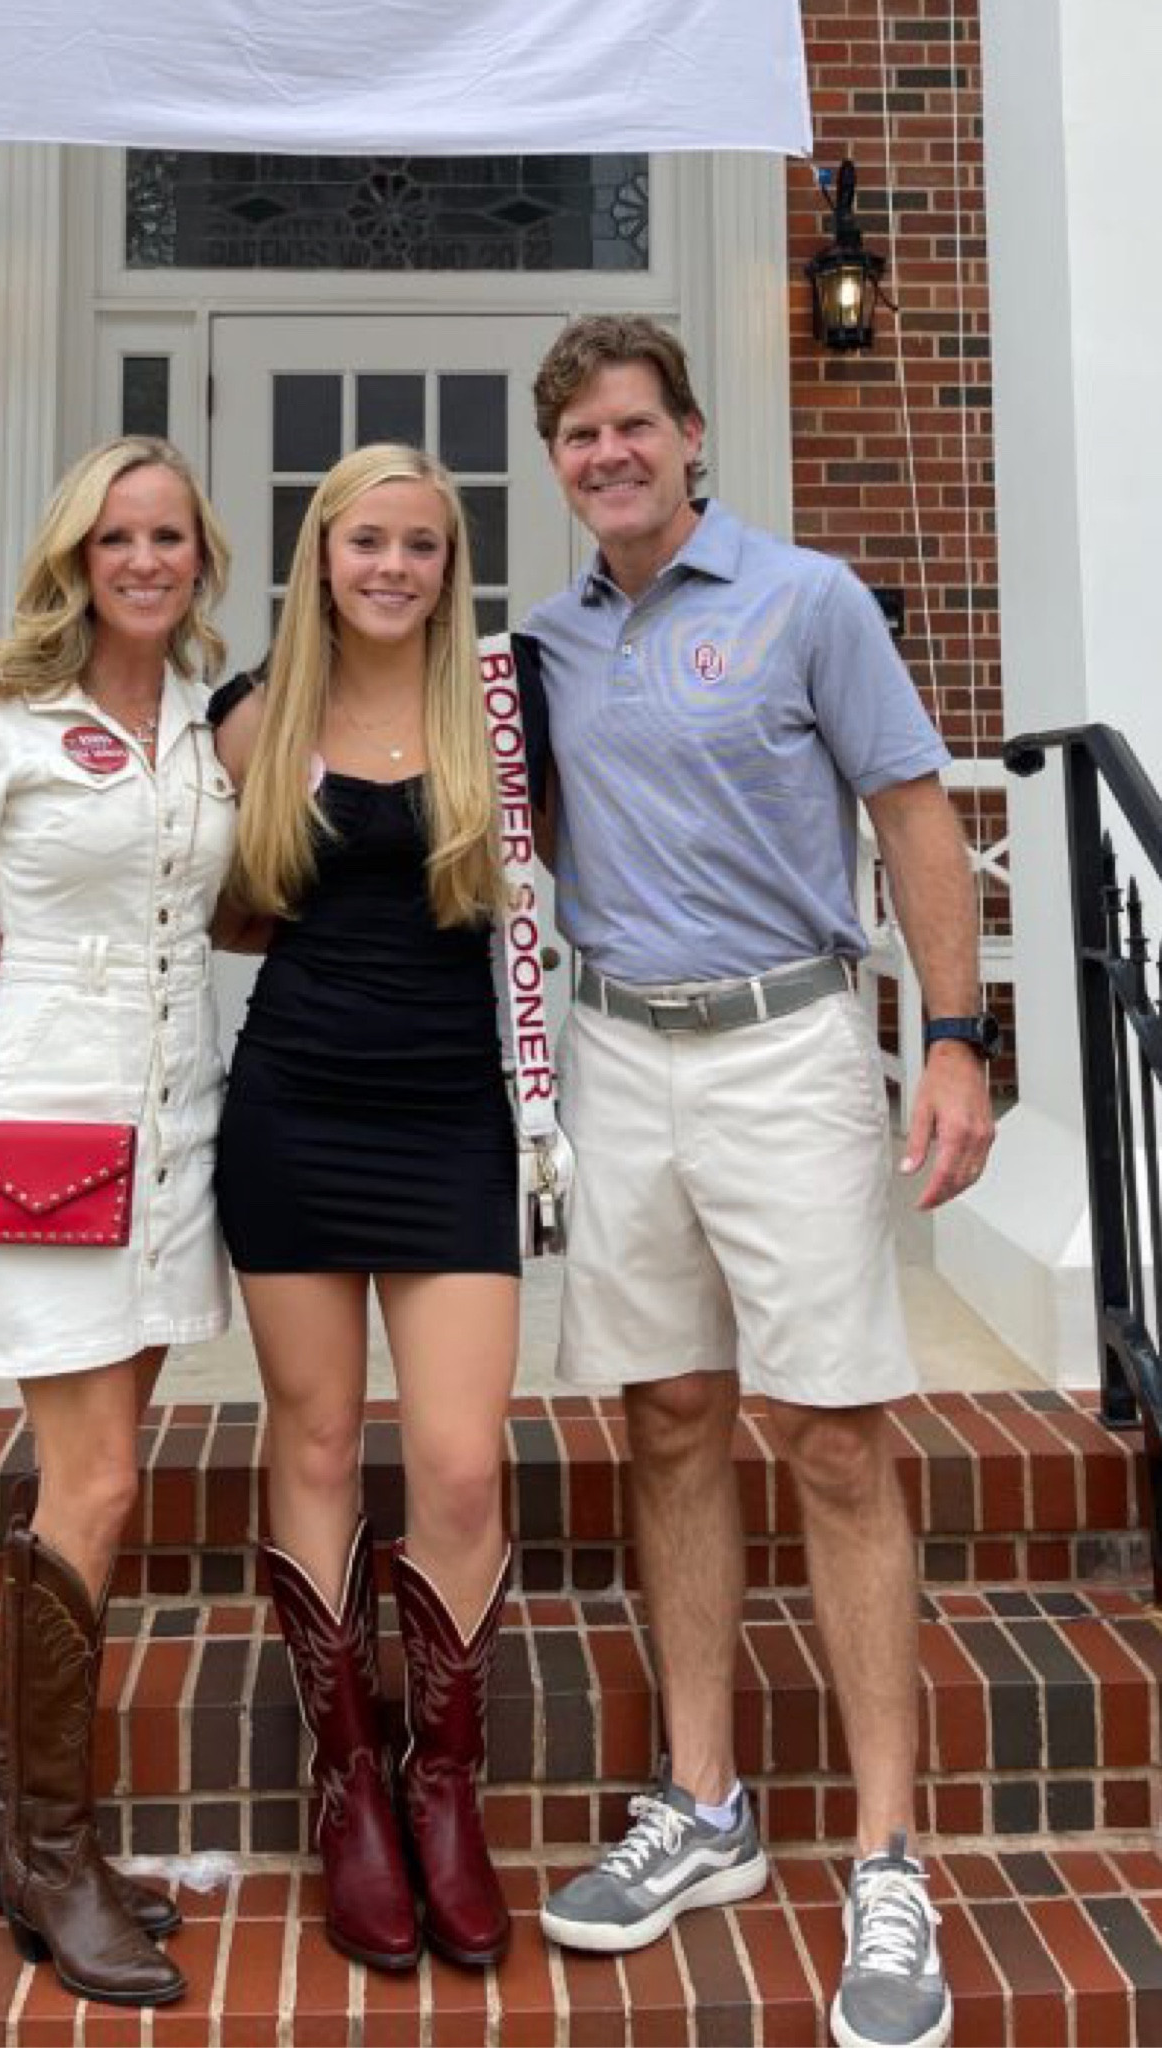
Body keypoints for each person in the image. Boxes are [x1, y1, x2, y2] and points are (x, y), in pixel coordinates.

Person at [524, 316, 993, 2048]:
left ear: (692, 436)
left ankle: (888, 1855)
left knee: (837, 1432)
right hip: (617, 1059)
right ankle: (706, 1808)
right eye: (578, 434)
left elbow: (915, 816)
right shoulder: (548, 645)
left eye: (633, 424)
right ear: (557, 461)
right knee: (663, 1418)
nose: (609, 454)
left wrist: (955, 1035)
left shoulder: (811, 600)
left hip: (789, 1047)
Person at [0, 435, 239, 2010]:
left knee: (91, 1483)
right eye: (119, 539)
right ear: (74, 557)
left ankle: (9, 1823)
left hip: (180, 1128)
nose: (146, 561)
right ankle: (47, 1848)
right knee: (92, 1481)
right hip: (45, 1123)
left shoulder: (208, 718)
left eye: (170, 536)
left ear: (200, 555)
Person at [209, 442, 519, 1973]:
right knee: (319, 1437)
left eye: (420, 543)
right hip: (296, 1114)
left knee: (460, 1462)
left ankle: (443, 1784)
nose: (392, 565)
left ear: (449, 567)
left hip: (459, 1119)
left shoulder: (503, 720)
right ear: (321, 555)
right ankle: (351, 1792)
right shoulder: (253, 720)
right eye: (364, 540)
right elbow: (186, 891)